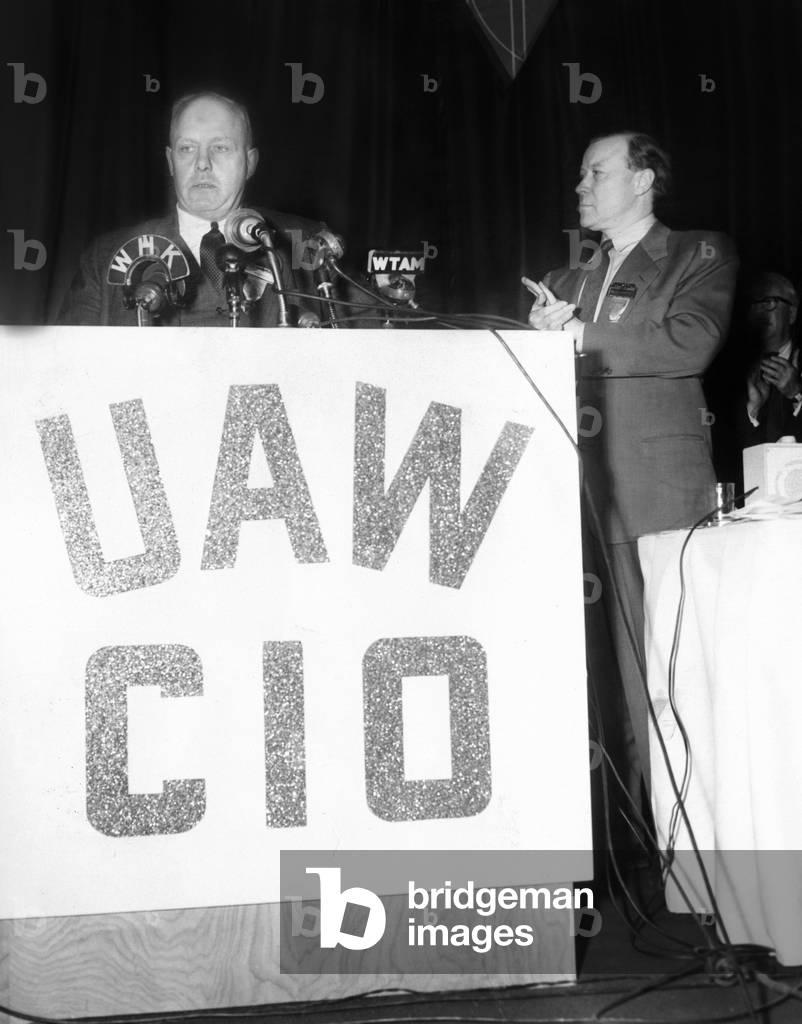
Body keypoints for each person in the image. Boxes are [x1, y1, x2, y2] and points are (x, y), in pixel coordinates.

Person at [523, 132, 738, 800]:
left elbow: (689, 343)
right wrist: (540, 341)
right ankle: (651, 842)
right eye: (582, 173)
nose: (581, 184)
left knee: (677, 678)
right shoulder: (564, 282)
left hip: (661, 498)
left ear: (643, 179)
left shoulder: (698, 254)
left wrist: (579, 336)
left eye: (597, 171)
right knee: (612, 685)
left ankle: (703, 847)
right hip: (580, 500)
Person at [57, 92, 328, 327]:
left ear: (250, 162)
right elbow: (66, 372)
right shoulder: (105, 259)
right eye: (187, 148)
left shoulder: (307, 243)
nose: (202, 163)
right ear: (170, 161)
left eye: (220, 147)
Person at [739, 271, 802, 446]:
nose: (759, 311)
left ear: (791, 313)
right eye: (754, 304)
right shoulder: (732, 370)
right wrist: (753, 410)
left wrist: (797, 393)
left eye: (768, 302)